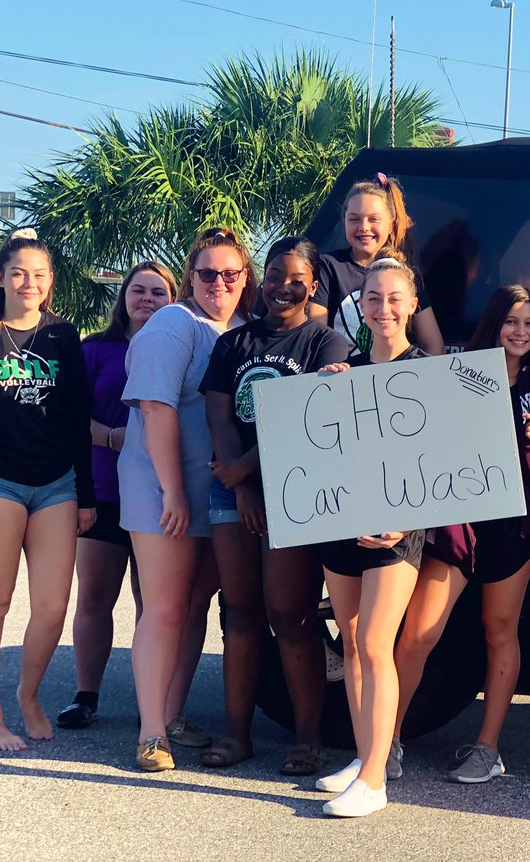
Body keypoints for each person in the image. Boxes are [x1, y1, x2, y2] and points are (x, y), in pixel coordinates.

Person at [391, 284, 530, 784]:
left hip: (513, 529)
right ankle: (386, 740)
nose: (520, 331)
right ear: (494, 324)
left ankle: (487, 748)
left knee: (500, 631)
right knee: (420, 633)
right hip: (458, 526)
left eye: (529, 323)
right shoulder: (460, 376)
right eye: (511, 321)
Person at [0, 228, 95, 751]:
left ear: (50, 282)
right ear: (0, 278)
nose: (29, 282)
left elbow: (78, 421)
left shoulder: (62, 336)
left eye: (39, 274)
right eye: (19, 273)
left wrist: (88, 495)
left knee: (52, 605)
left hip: (56, 483)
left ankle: (28, 695)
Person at [199, 236, 348, 773]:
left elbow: (307, 418)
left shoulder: (325, 344)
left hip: (295, 490)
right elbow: (219, 415)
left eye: (296, 279)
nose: (283, 287)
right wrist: (238, 484)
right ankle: (236, 735)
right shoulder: (234, 344)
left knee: (291, 615)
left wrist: (249, 472)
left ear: (312, 285)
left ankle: (308, 739)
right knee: (239, 614)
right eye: (275, 275)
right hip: (232, 491)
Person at [119, 227, 257, 772]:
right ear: (190, 276)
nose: (218, 283)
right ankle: (150, 733)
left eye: (231, 273)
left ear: (245, 277)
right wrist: (173, 491)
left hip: (218, 495)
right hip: (162, 487)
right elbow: (156, 408)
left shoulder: (245, 329)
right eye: (206, 273)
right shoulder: (173, 324)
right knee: (166, 607)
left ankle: (172, 717)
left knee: (196, 604)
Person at [314, 258, 427, 818]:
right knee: (353, 643)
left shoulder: (430, 372)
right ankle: (364, 759)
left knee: (378, 645)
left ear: (411, 304)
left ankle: (378, 779)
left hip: (397, 533)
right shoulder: (343, 370)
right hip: (341, 524)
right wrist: (325, 391)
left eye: (393, 298)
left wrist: (403, 523)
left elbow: (447, 464)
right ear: (360, 305)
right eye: (373, 298)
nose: (383, 308)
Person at [57, 260, 178, 729]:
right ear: (123, 297)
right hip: (103, 492)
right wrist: (111, 437)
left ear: (173, 299)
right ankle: (86, 696)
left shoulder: (179, 347)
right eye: (139, 290)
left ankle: (161, 705)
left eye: (159, 292)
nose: (147, 299)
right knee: (94, 598)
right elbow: (69, 420)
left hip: (159, 496)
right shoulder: (95, 351)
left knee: (156, 605)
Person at [308, 173, 445, 356]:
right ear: (344, 222)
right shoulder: (327, 267)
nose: (364, 227)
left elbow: (434, 346)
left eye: (374, 219)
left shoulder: (405, 274)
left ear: (390, 225)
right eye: (354, 219)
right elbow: (316, 339)